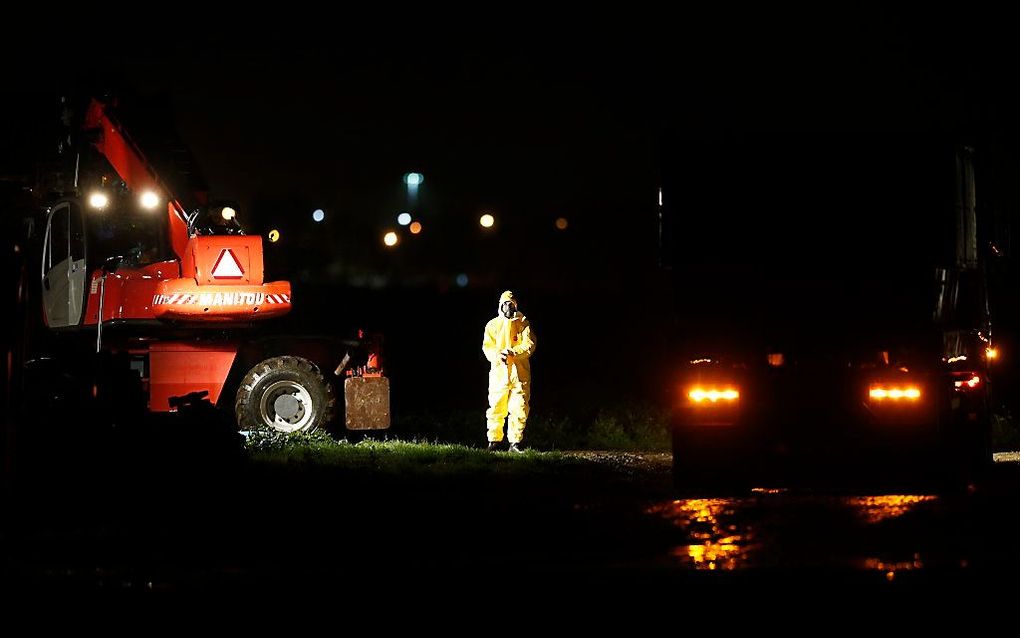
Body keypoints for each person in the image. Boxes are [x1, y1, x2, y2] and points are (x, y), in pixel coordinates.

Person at [482, 290, 537, 452]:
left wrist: (514, 352)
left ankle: (515, 442)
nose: (508, 307)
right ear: (500, 305)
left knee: (519, 407)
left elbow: (530, 345)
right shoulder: (492, 325)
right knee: (496, 407)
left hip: (519, 374)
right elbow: (487, 347)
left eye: (511, 304)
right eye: (505, 304)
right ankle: (494, 441)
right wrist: (498, 355)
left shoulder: (523, 323)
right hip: (499, 374)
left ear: (515, 305)